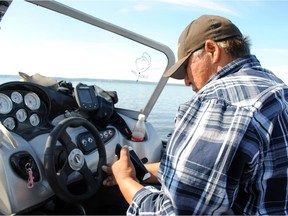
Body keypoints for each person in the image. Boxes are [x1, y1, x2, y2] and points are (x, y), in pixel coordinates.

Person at [102, 14, 288, 215]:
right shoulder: (276, 89)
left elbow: (173, 213)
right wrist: (142, 171)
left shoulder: (221, 104)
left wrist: (125, 179)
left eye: (186, 68)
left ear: (212, 50)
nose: (187, 82)